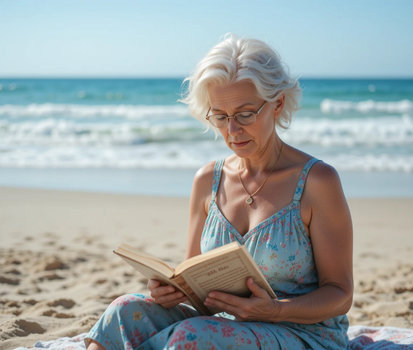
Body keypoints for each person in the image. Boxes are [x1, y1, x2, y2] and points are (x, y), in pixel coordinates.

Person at [85, 34, 353, 350]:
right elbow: (196, 284)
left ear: (277, 103)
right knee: (124, 310)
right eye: (221, 117)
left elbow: (340, 294)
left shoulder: (317, 182)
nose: (232, 131)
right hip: (223, 325)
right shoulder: (207, 180)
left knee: (192, 337)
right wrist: (174, 293)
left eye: (245, 114)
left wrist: (275, 310)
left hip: (304, 332)